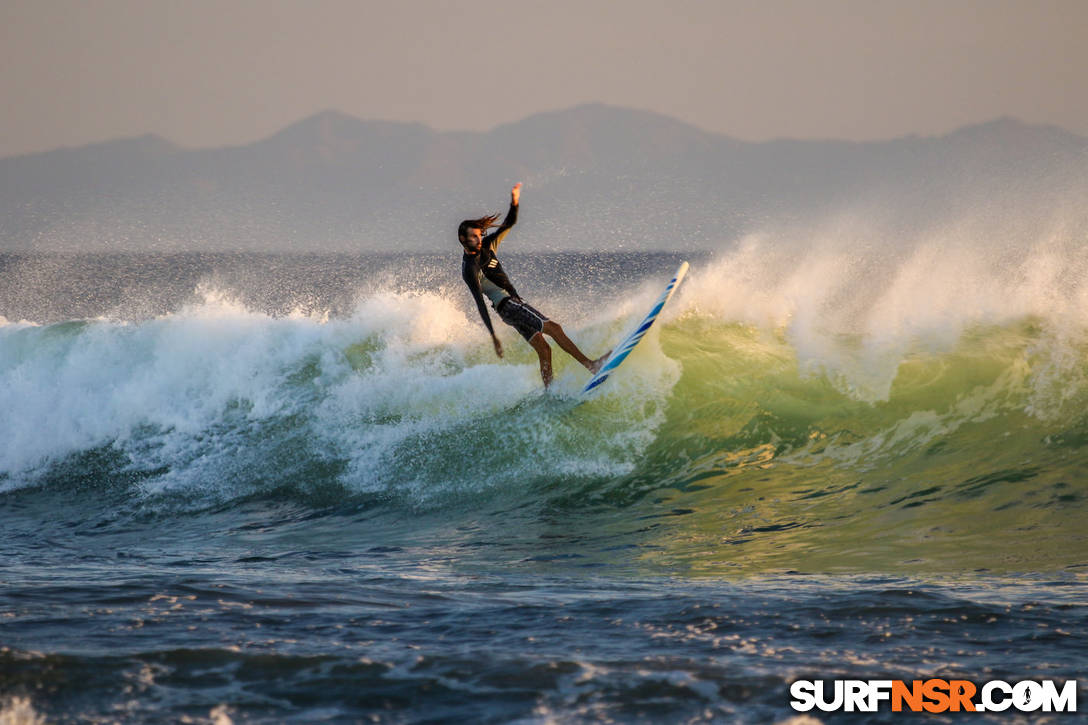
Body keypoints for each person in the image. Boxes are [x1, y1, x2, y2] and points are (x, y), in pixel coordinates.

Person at [458, 183, 608, 388]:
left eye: (479, 235)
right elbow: (479, 303)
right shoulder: (470, 268)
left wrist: (515, 201)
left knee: (544, 349)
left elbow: (509, 223)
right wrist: (493, 336)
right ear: (463, 239)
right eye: (474, 237)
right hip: (507, 304)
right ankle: (592, 365)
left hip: (510, 307)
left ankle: (550, 391)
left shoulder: (489, 245)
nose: (479, 239)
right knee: (554, 328)